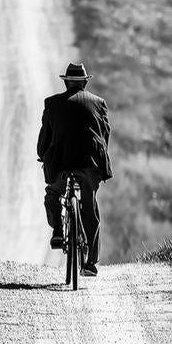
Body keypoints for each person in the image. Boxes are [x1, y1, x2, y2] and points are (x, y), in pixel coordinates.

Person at [36, 62, 112, 276]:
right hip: (90, 166)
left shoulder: (52, 103)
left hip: (61, 165)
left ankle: (59, 231)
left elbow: (44, 138)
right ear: (84, 83)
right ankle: (91, 263)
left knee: (53, 194)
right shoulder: (99, 103)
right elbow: (104, 136)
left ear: (67, 82)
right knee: (90, 208)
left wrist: (43, 155)